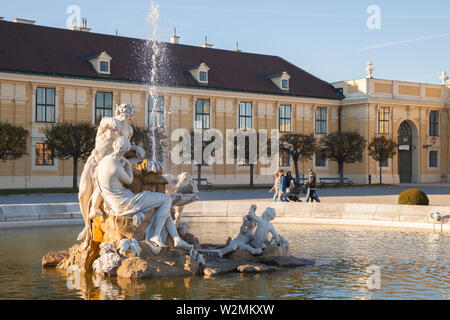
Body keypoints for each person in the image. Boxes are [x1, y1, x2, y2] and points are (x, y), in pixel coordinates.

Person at [94, 136, 193, 250]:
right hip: (127, 203)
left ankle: (176, 239)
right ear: (126, 150)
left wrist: (133, 149)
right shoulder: (117, 167)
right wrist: (127, 166)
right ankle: (155, 235)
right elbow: (129, 180)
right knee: (167, 199)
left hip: (118, 202)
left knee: (162, 207)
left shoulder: (105, 161)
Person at [77, 104, 146, 243]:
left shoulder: (129, 130)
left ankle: (92, 224)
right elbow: (104, 123)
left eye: (129, 111)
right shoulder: (108, 122)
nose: (125, 113)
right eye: (123, 110)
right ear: (118, 110)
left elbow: (124, 146)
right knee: (83, 193)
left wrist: (136, 147)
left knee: (101, 190)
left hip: (110, 165)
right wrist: (111, 121)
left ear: (131, 115)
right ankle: (86, 225)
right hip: (96, 160)